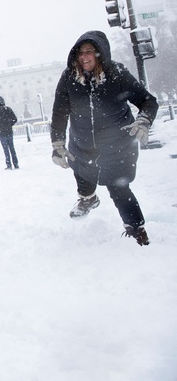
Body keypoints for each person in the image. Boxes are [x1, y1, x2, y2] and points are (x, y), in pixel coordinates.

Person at [51, 30, 158, 246]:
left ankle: (136, 229)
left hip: (116, 145)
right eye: (80, 52)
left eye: (90, 51)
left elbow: (148, 101)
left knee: (118, 187)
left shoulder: (117, 73)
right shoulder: (69, 77)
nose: (84, 57)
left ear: (100, 53)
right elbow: (60, 112)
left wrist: (143, 121)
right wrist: (57, 144)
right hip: (82, 143)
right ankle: (88, 199)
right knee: (82, 173)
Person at [0, 96, 19, 170]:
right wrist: (9, 124)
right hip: (9, 132)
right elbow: (15, 119)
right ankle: (16, 164)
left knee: (5, 150)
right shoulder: (8, 109)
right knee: (12, 148)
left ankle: (8, 164)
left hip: (1, 133)